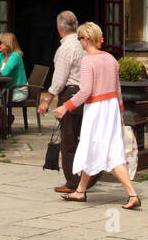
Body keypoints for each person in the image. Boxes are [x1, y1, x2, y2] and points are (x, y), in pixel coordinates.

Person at [55, 23, 142, 210]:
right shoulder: (111, 59)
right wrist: (119, 112)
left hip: (96, 109)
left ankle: (132, 193)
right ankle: (80, 190)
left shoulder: (88, 61)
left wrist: (65, 107)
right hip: (110, 108)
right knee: (96, 148)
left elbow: (85, 90)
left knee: (95, 147)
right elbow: (118, 90)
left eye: (79, 39)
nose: (79, 42)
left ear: (86, 39)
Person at [38, 10, 98, 194]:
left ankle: (73, 182)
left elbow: (59, 79)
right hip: (88, 94)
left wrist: (47, 100)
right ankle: (90, 174)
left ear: (59, 28)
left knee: (69, 140)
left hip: (71, 94)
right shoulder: (84, 44)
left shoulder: (65, 48)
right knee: (85, 137)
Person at [0, 31, 28, 103]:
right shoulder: (2, 55)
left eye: (0, 43)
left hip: (18, 92)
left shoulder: (15, 56)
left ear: (7, 44)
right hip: (6, 90)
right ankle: (1, 114)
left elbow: (4, 73)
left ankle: (3, 114)